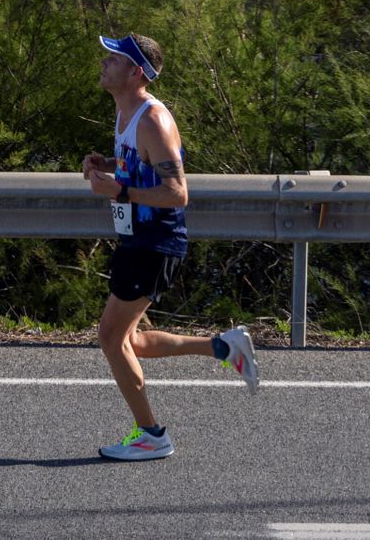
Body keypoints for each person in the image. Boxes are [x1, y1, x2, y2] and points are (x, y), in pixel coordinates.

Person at [80, 32, 258, 461]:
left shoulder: (152, 119)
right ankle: (224, 347)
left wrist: (120, 193)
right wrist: (108, 166)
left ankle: (151, 434)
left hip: (155, 243)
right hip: (137, 240)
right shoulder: (125, 113)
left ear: (136, 72)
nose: (104, 62)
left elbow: (177, 192)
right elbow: (138, 168)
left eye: (114, 58)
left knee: (110, 337)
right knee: (131, 342)